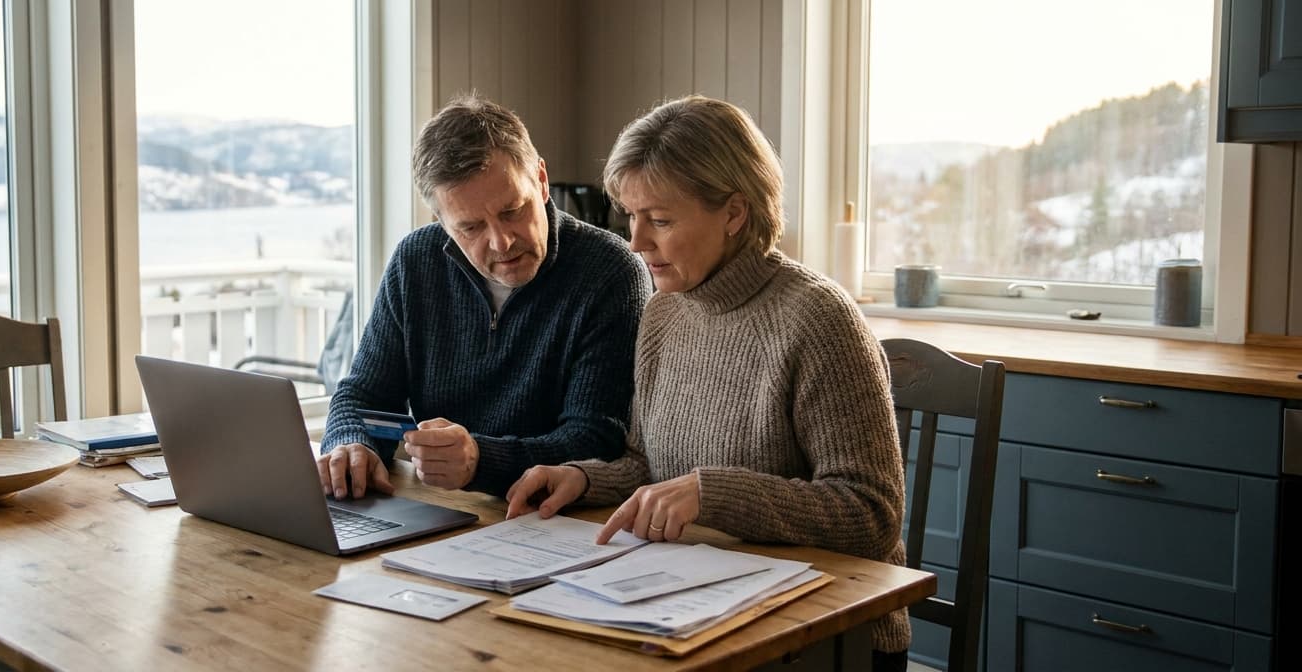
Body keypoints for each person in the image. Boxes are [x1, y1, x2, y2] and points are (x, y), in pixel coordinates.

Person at [503, 96, 910, 670]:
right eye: (630, 216)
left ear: (734, 214)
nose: (636, 241)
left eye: (660, 220)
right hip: (700, 605)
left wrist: (713, 494)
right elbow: (648, 464)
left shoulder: (819, 318)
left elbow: (872, 515)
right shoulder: (665, 313)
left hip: (825, 636)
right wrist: (580, 477)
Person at [316, 95, 650, 501]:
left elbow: (595, 441)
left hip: (552, 523)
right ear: (442, 223)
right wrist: (352, 444)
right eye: (471, 227)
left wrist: (480, 460)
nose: (502, 241)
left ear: (541, 180)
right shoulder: (415, 260)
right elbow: (363, 396)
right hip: (441, 509)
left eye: (512, 211)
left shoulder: (610, 271)